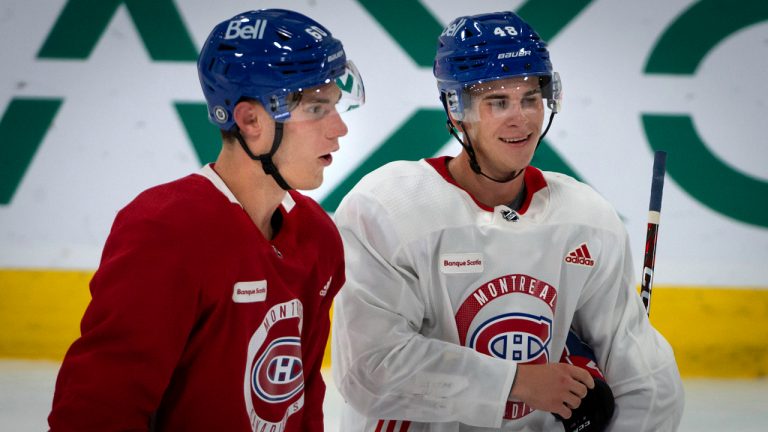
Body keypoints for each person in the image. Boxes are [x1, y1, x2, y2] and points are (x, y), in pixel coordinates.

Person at [331, 11, 683, 431]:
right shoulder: (386, 208)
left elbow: (648, 381)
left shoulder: (586, 218)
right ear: (455, 109)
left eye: (531, 98)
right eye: (498, 101)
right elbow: (370, 371)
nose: (522, 118)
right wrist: (516, 381)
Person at [48, 9, 364, 431]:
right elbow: (97, 410)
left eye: (336, 106)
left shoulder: (319, 237)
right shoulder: (166, 230)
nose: (339, 128)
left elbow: (299, 401)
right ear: (251, 120)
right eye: (315, 108)